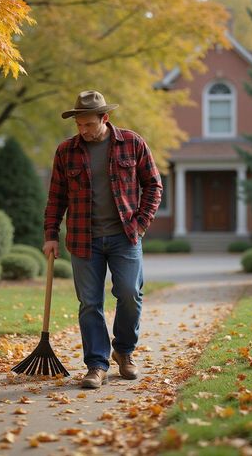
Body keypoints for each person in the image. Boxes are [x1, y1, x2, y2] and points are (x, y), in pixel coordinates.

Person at [43, 90, 163, 389]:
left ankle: (124, 350)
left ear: (105, 118)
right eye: (78, 125)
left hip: (125, 236)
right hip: (85, 240)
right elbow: (56, 197)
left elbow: (154, 185)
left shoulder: (132, 143)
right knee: (89, 303)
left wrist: (141, 223)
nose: (82, 131)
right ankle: (96, 365)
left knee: (129, 294)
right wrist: (51, 235)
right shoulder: (66, 151)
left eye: (88, 125)